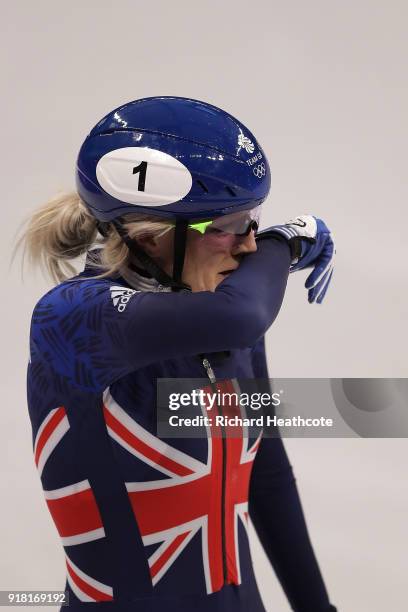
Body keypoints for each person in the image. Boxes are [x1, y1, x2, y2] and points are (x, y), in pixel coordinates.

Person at [23, 97, 337, 611]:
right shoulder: (73, 318)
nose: (252, 245)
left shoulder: (214, 306)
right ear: (151, 235)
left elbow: (267, 473)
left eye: (257, 220)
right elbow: (244, 314)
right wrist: (292, 239)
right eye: (232, 225)